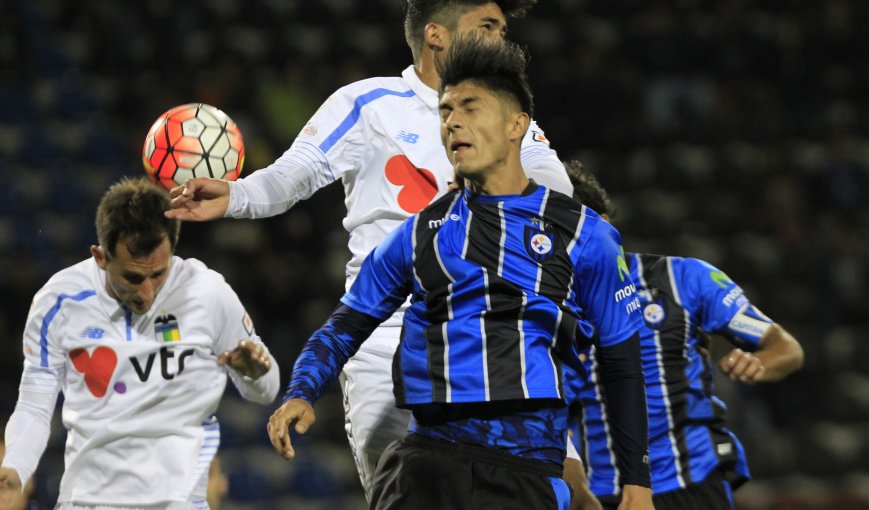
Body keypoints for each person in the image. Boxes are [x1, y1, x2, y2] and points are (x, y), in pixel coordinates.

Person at [164, 0, 584, 502]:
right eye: (487, 27)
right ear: (436, 36)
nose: (501, 40)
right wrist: (236, 195)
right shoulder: (368, 104)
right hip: (385, 341)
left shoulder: (508, 116)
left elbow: (559, 189)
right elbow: (295, 172)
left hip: (492, 343)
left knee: (561, 493)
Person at [267, 36, 653, 510]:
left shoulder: (582, 234)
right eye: (446, 111)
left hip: (527, 473)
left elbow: (622, 361)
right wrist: (301, 391)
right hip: (425, 465)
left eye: (470, 108)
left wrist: (637, 481)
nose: (453, 122)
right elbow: (345, 326)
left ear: (518, 125)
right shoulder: (421, 233)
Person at [0, 178, 280, 509]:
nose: (146, 293)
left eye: (158, 274)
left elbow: (267, 391)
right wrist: (16, 465)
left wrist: (254, 372)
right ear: (101, 257)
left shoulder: (208, 292)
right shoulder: (58, 302)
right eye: (132, 277)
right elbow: (34, 405)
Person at [563, 161, 805, 510]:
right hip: (601, 498)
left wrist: (758, 361)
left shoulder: (683, 279)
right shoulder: (546, 308)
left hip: (690, 486)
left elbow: (784, 346)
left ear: (600, 226)